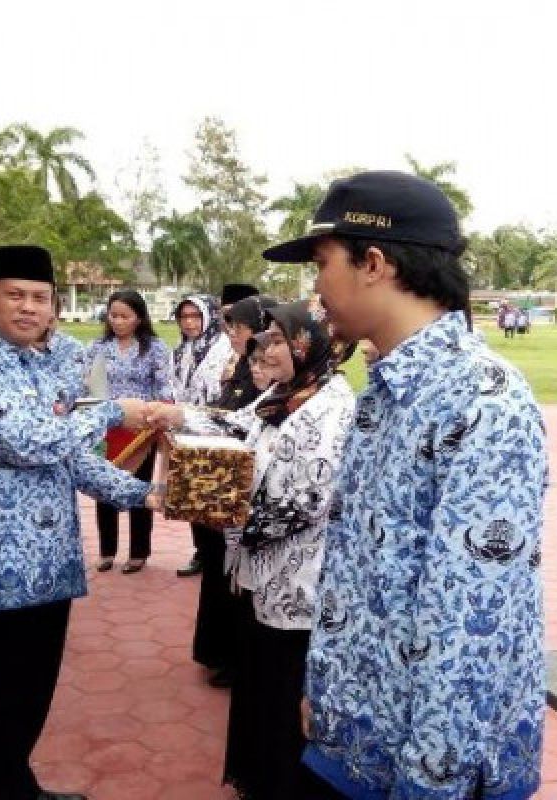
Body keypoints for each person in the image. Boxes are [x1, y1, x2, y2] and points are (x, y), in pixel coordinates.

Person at [263, 171, 548, 798]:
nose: (315, 288)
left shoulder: (480, 402)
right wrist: (326, 688)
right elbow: (358, 565)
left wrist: (430, 785)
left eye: (321, 264)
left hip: (422, 765)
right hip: (356, 735)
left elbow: (470, 628)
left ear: (372, 262)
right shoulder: (388, 390)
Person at [0, 244, 160, 800]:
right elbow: (32, 442)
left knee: (31, 692)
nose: (29, 308)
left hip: (48, 561)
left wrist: (143, 495)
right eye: (15, 295)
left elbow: (70, 457)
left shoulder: (37, 365)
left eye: (40, 297)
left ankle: (16, 786)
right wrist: (112, 409)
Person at [149, 298, 356, 799]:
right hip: (259, 572)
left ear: (309, 343)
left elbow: (306, 501)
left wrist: (225, 514)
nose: (267, 347)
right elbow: (234, 426)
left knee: (283, 692)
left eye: (280, 339)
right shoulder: (283, 396)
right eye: (267, 338)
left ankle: (279, 785)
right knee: (258, 686)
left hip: (298, 582)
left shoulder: (330, 405)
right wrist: (175, 416)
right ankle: (255, 779)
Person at [192, 291, 278, 688]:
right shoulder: (238, 365)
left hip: (248, 506)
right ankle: (216, 651)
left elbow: (243, 424)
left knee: (234, 582)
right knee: (218, 575)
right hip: (221, 490)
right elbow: (226, 414)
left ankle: (229, 656)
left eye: (239, 326)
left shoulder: (273, 382)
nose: (232, 334)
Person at [84, 290, 172, 574]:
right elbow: (88, 385)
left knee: (140, 489)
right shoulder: (97, 348)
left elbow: (163, 388)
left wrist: (158, 416)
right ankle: (107, 550)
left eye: (125, 316)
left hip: (141, 430)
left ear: (139, 317)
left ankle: (138, 552)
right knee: (103, 487)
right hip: (106, 429)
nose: (118, 322)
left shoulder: (155, 348)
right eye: (113, 316)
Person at [171, 293, 234, 578]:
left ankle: (217, 553)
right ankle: (201, 551)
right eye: (184, 317)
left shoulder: (224, 349)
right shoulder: (181, 350)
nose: (189, 323)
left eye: (195, 316)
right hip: (186, 431)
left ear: (209, 317)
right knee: (193, 495)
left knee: (215, 493)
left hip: (216, 431)